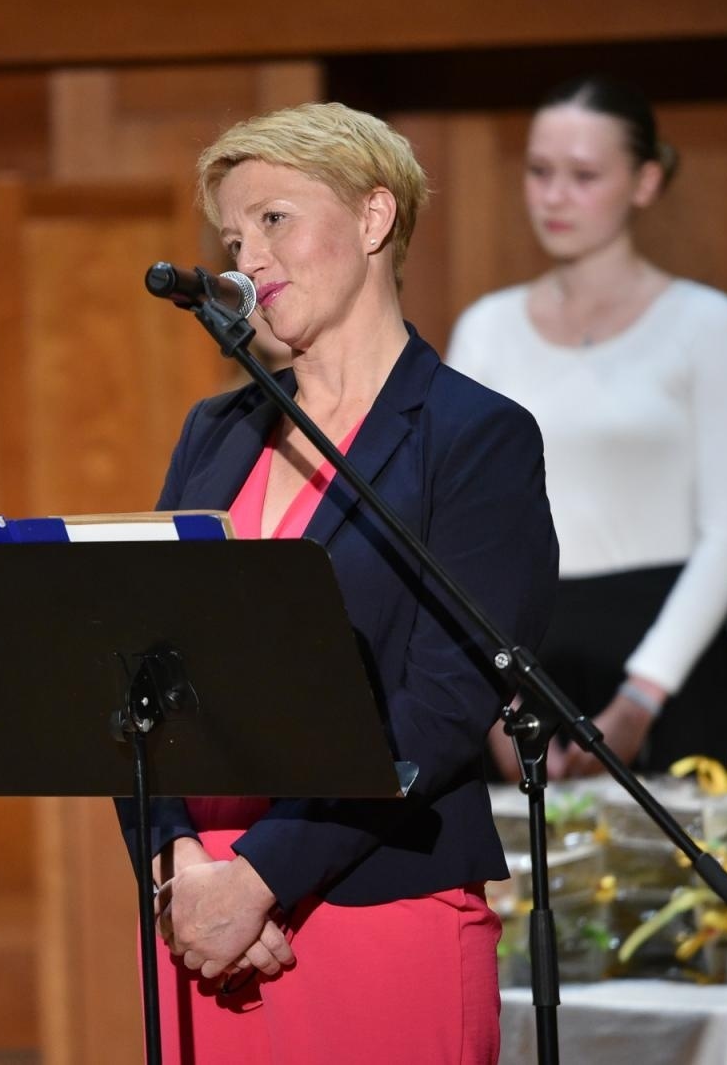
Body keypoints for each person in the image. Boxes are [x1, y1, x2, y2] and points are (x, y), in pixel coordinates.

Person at [117, 102, 558, 1064]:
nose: (247, 257)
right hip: (201, 922)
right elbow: (136, 674)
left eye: (274, 219)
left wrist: (260, 879)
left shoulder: (474, 438)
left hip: (372, 906)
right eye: (234, 237)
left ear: (373, 217)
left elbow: (445, 705)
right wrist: (177, 867)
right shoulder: (214, 433)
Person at [445, 77, 727, 780]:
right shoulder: (487, 330)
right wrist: (497, 697)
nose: (554, 197)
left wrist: (642, 696)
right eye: (539, 172)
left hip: (666, 662)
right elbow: (460, 531)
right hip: (522, 654)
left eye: (584, 176)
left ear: (644, 181)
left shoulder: (706, 325)